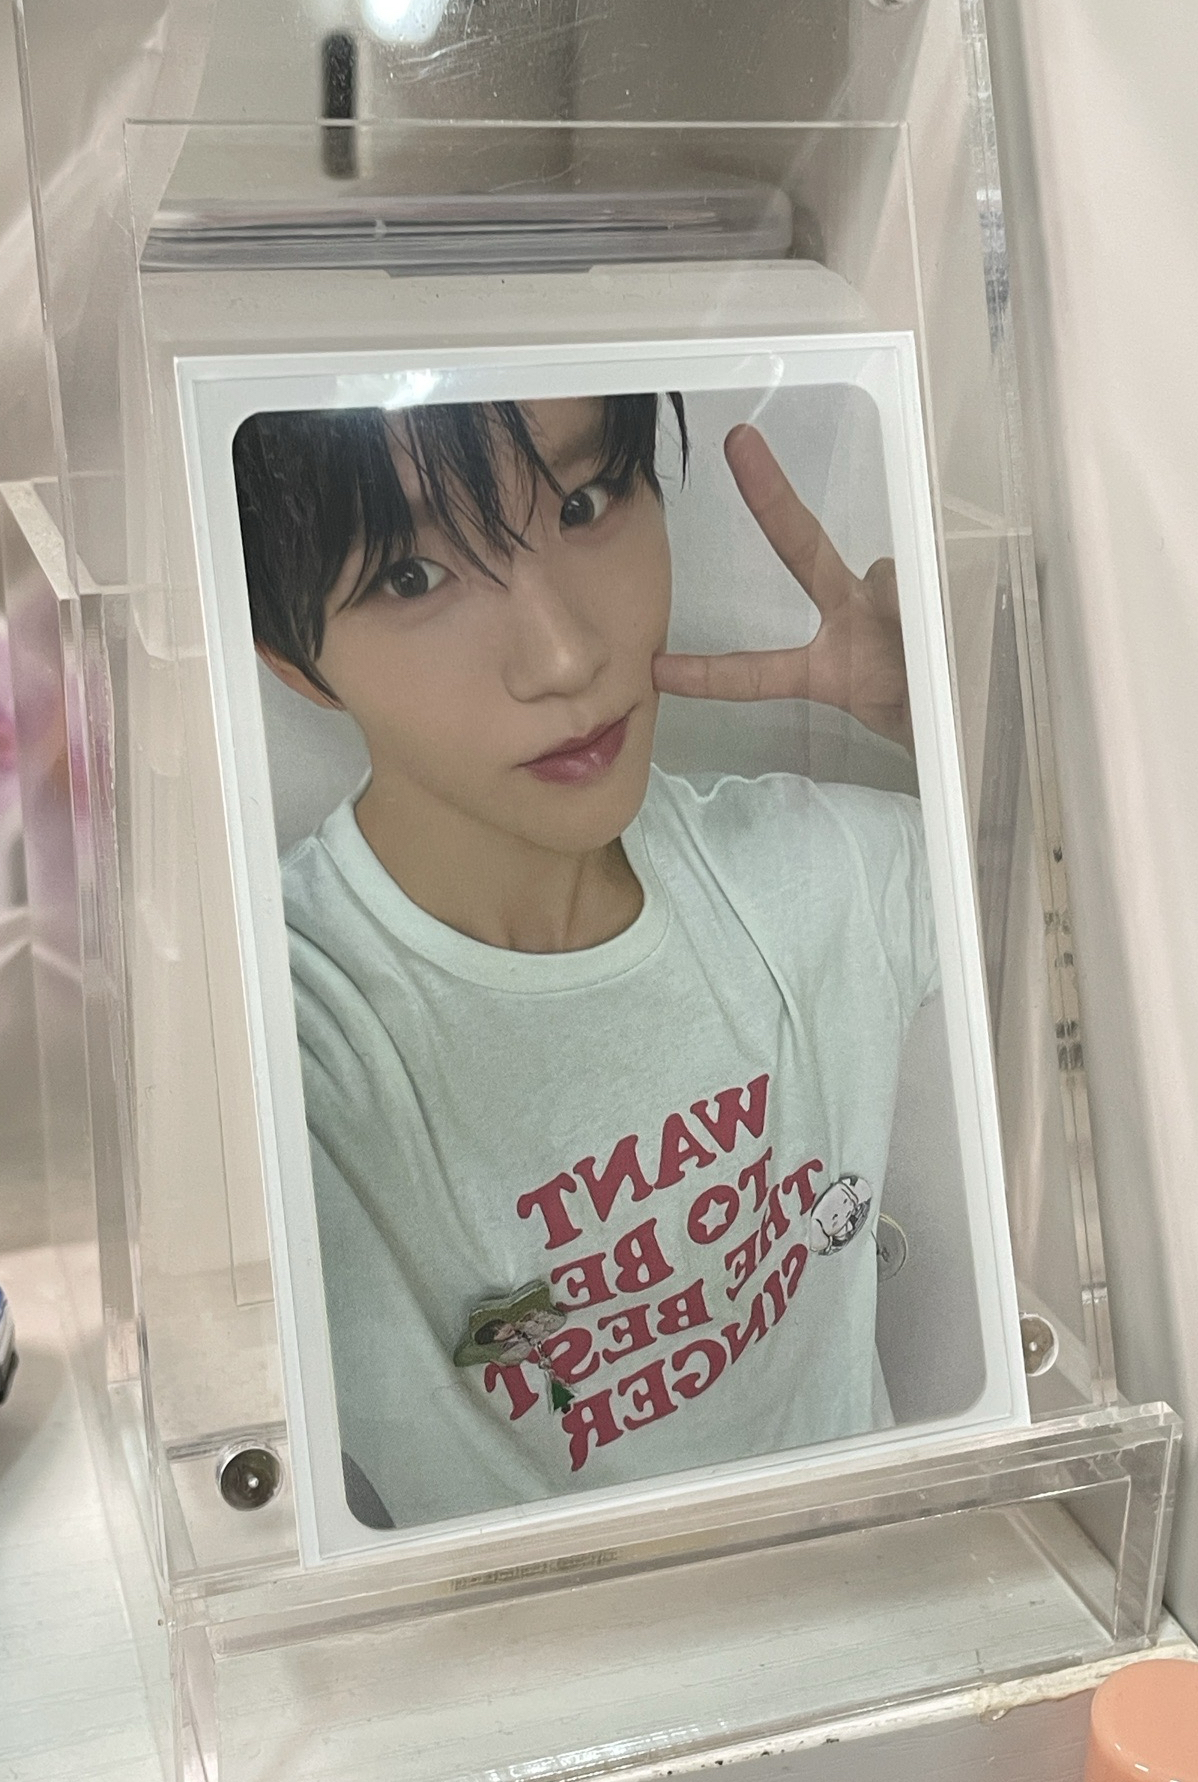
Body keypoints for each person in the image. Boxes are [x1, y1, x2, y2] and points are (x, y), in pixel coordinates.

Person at [233, 393, 938, 1529]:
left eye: (583, 502)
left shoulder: (822, 875)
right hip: (549, 1644)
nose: (564, 655)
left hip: (900, 1591)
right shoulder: (285, 1029)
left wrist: (948, 720)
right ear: (295, 662)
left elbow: (1129, 946)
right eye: (412, 576)